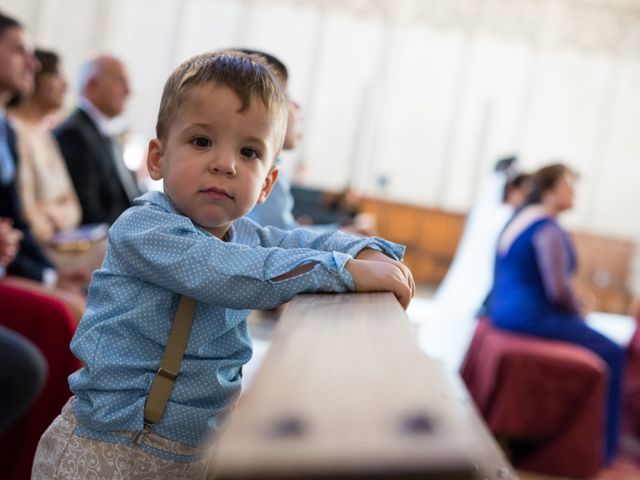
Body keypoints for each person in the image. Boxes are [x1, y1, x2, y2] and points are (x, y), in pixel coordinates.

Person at [32, 50, 414, 479]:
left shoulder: (245, 233)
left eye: (249, 152)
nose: (225, 163)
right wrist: (339, 270)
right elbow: (225, 272)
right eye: (201, 142)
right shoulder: (143, 228)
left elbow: (300, 239)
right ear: (157, 157)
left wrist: (365, 250)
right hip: (105, 449)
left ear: (268, 182)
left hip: (191, 455)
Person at [487, 163, 624, 463]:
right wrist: (580, 308)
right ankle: (603, 450)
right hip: (530, 315)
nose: (574, 191)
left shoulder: (519, 217)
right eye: (569, 185)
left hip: (502, 312)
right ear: (549, 192)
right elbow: (558, 292)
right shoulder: (548, 228)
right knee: (615, 351)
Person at [0, 12, 89, 301]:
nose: (33, 63)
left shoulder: (10, 131)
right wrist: (47, 275)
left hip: (23, 256)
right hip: (21, 259)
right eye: (19, 50)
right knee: (71, 311)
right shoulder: (17, 129)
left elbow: (70, 205)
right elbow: (25, 217)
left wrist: (51, 274)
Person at [55, 54, 139, 225]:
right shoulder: (73, 133)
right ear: (92, 85)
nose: (128, 91)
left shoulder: (109, 132)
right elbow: (89, 212)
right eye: (120, 81)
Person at [8, 48, 81, 244]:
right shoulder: (12, 130)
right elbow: (25, 213)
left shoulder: (46, 135)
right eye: (57, 74)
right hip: (35, 244)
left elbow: (75, 208)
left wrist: (50, 213)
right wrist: (55, 219)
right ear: (36, 77)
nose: (66, 85)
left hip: (61, 238)